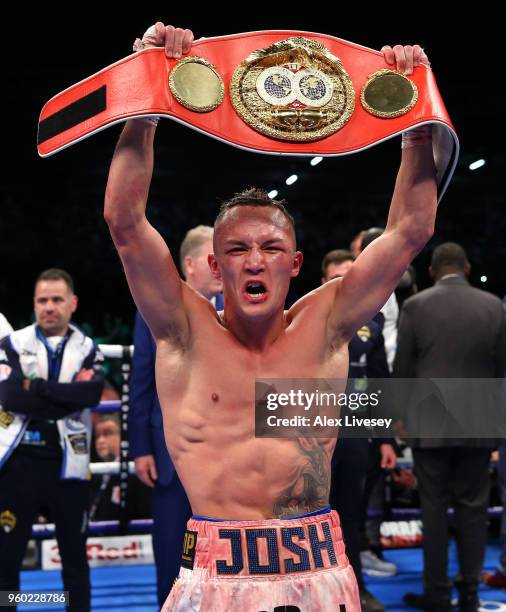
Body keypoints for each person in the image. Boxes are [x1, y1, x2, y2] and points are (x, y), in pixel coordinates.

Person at [104, 21, 435, 611]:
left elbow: (412, 230)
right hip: (216, 575)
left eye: (271, 248)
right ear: (215, 263)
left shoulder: (329, 321)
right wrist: (145, 97)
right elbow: (125, 223)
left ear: (296, 263)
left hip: (318, 568)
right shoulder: (181, 333)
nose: (254, 260)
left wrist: (411, 117)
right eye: (237, 249)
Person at [394, 242, 506, 611]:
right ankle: (471, 594)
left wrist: (400, 418)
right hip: (479, 423)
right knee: (474, 510)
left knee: (434, 510)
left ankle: (438, 595)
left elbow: (404, 370)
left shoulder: (415, 306)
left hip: (431, 423)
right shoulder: (493, 306)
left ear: (431, 271)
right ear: (468, 267)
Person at [0, 268, 104, 612]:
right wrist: (64, 394)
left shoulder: (88, 348)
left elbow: (89, 394)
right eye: (43, 300)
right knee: (5, 562)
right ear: (33, 304)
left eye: (57, 299)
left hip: (68, 469)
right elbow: (11, 397)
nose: (49, 307)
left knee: (75, 560)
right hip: (19, 466)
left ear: (72, 303)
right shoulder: (12, 344)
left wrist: (37, 388)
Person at [129, 224, 223, 606]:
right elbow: (140, 382)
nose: (221, 267)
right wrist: (140, 448)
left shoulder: (242, 310)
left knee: (224, 555)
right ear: (189, 264)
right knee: (172, 551)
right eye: (211, 258)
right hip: (169, 453)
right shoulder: (155, 307)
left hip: (226, 457)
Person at [322, 249, 396, 612]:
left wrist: (385, 440)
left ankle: (355, 588)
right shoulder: (303, 319)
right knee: (305, 514)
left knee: (350, 514)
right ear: (324, 281)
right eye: (335, 276)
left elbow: (380, 380)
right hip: (310, 432)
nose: (342, 283)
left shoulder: (372, 320)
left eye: (348, 276)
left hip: (353, 432)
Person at [90, 413, 151, 522]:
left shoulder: (134, 470)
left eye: (108, 433)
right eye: (97, 435)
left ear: (123, 437)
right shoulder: (95, 473)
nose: (101, 440)